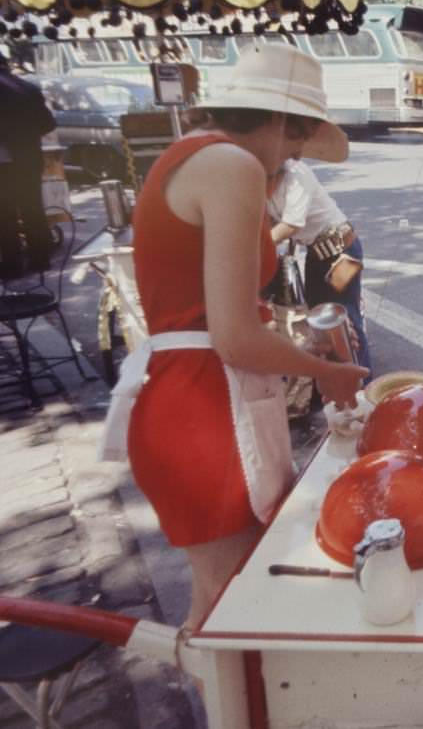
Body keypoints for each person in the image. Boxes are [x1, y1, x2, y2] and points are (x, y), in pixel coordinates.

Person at [104, 43, 366, 628]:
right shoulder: (234, 166)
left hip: (185, 398)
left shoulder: (190, 155)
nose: (296, 153)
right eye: (298, 136)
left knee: (220, 599)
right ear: (276, 120)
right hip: (206, 411)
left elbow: (223, 320)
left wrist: (298, 354)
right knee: (233, 609)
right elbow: (234, 337)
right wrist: (327, 373)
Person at [266, 158, 371, 373]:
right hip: (317, 253)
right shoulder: (260, 179)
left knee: (344, 318)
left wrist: (258, 245)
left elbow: (291, 225)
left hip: (342, 253)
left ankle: (362, 380)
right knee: (318, 318)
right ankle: (335, 375)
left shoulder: (296, 173)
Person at [0, 50, 56, 278]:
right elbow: (48, 123)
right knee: (33, 208)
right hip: (28, 157)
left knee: (4, 214)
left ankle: (12, 265)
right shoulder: (28, 88)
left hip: (3, 161)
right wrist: (26, 137)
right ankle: (40, 259)